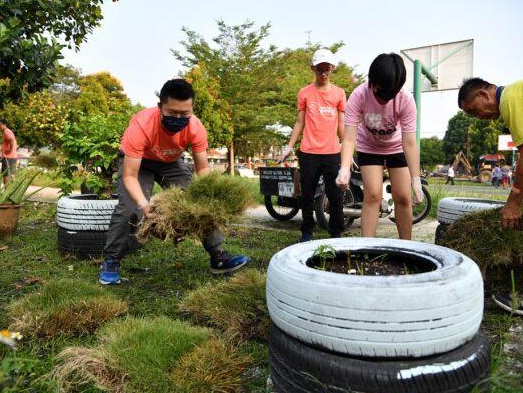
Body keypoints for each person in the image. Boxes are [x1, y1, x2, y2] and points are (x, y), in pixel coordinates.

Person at [100, 79, 249, 285]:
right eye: (172, 113)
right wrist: (144, 205)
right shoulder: (142, 125)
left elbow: (203, 168)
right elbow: (129, 176)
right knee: (129, 208)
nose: (178, 118)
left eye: (184, 114)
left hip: (171, 161)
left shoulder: (196, 127)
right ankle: (111, 260)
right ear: (160, 107)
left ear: (192, 108)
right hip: (139, 163)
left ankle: (218, 256)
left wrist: (206, 193)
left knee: (198, 203)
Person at [458, 75, 523, 319]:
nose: (479, 117)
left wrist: (514, 202)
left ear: (484, 94)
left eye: (474, 110)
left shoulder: (511, 98)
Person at [336, 53, 423, 240]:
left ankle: (406, 247)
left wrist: (416, 179)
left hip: (397, 146)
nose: (383, 99)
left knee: (402, 196)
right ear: (372, 82)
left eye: (389, 95)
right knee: (373, 195)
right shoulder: (359, 95)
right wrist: (344, 168)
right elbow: (349, 137)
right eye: (379, 92)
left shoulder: (406, 100)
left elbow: (409, 142)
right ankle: (366, 247)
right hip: (369, 146)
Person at [280, 48, 346, 242]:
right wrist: (289, 146)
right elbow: (299, 122)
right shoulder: (305, 93)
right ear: (312, 69)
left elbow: (342, 124)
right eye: (319, 69)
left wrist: (347, 153)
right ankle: (306, 232)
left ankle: (335, 233)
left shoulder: (339, 94)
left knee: (335, 195)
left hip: (332, 151)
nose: (323, 73)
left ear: (332, 68)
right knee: (307, 195)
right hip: (308, 152)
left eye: (327, 69)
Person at [0, 119, 18, 185]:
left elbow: (11, 140)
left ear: (4, 124)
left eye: (0, 125)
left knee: (6, 175)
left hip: (8, 157)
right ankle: (12, 191)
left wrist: (10, 150)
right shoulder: (8, 132)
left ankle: (6, 193)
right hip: (12, 157)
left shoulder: (6, 131)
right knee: (11, 174)